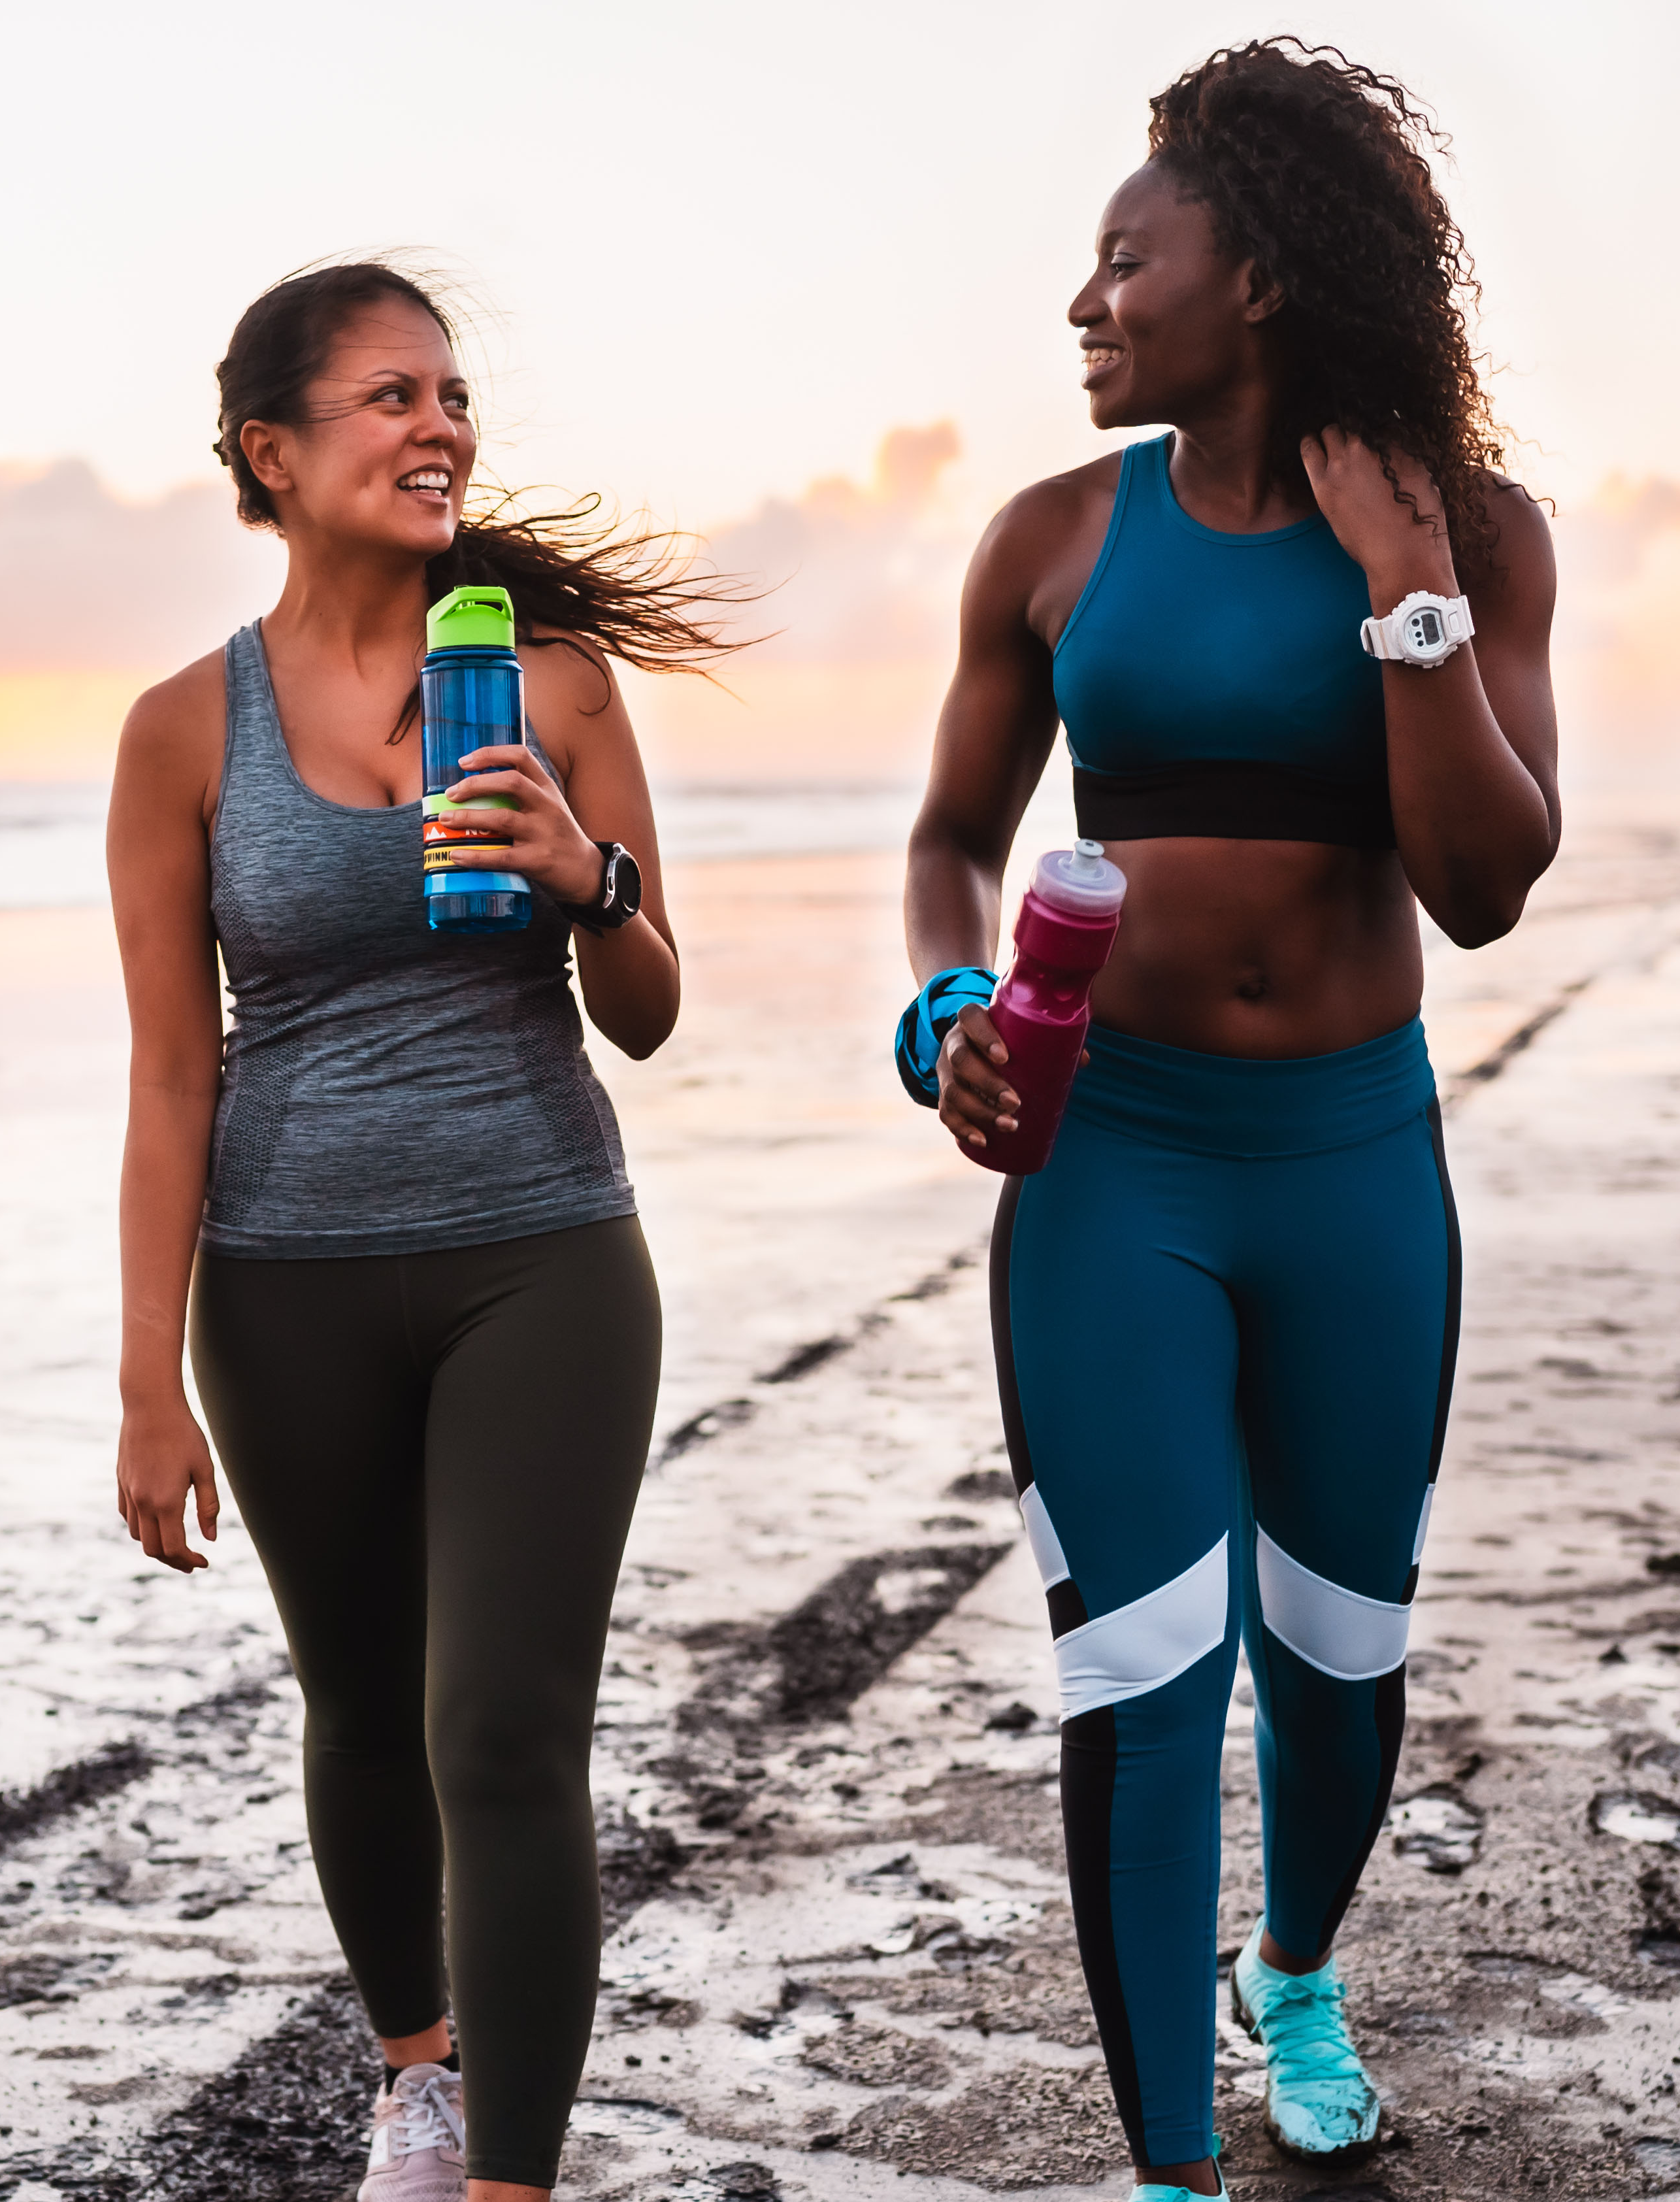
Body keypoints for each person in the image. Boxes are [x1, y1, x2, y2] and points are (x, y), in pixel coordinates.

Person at [897, 42, 1559, 2199]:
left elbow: (1479, 879)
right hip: (1117, 1162)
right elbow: (946, 843)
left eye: (1122, 261)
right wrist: (943, 1019)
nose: (1084, 307)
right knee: (1147, 1665)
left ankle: (1297, 1966)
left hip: (1356, 1163)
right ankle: (1172, 2175)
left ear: (1257, 274)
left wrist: (1407, 591)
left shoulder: (1471, 538)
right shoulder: (1053, 542)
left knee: (1342, 1657)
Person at [103, 261, 736, 2201]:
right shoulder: (177, 732)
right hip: (283, 1282)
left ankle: (509, 2184)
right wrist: (149, 1374)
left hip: (541, 1247)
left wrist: (589, 869)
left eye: (454, 395)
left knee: (503, 1726)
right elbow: (170, 1075)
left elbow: (647, 1005)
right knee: (365, 1703)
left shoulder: (554, 687)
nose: (441, 426)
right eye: (391, 397)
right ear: (270, 455)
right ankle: (423, 2073)